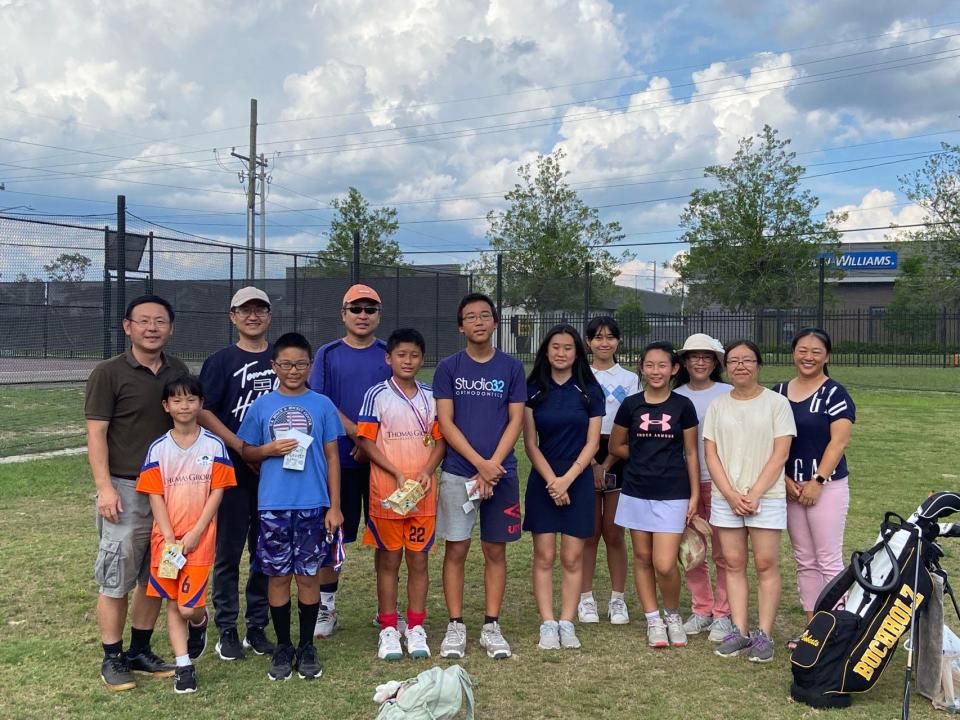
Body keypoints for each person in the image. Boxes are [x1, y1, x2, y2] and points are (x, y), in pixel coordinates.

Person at [86, 294, 188, 691]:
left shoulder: (177, 371)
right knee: (117, 576)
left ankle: (139, 651)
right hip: (126, 489)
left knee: (155, 577)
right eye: (143, 321)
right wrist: (104, 488)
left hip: (171, 491)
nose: (152, 328)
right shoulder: (109, 372)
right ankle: (112, 657)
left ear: (171, 328)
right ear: (127, 326)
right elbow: (96, 433)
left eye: (159, 321)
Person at [237, 332, 344, 681]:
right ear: (274, 366)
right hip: (274, 505)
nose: (293, 370)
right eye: (286, 364)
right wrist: (267, 450)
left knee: (309, 575)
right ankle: (283, 645)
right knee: (278, 576)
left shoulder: (323, 404)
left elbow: (332, 457)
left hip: (314, 504)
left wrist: (335, 506)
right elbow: (247, 451)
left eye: (300, 364)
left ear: (310, 366)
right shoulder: (262, 406)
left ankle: (306, 645)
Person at [433, 293, 526, 660]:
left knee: (495, 550)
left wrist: (493, 464)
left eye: (485, 315)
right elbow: (446, 422)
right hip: (459, 472)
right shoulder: (448, 367)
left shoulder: (511, 368)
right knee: (456, 548)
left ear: (495, 322)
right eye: (470, 317)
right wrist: (478, 464)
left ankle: (491, 625)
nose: (478, 322)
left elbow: (516, 419)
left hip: (501, 473)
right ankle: (456, 625)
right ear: (461, 326)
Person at [136, 375, 237, 694]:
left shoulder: (214, 445)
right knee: (172, 602)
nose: (184, 405)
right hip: (166, 543)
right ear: (166, 406)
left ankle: (200, 620)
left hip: (200, 540)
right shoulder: (158, 448)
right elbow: (155, 495)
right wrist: (168, 535)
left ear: (201, 404)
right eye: (176, 400)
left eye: (190, 399)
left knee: (187, 607)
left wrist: (194, 533)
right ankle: (184, 666)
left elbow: (217, 492)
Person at [356, 328, 446, 661]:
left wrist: (428, 470)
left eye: (414, 355)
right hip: (387, 494)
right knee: (390, 560)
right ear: (388, 358)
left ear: (423, 360)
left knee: (419, 560)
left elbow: (440, 440)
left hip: (422, 493)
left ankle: (416, 625)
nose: (408, 361)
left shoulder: (430, 395)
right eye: (401, 355)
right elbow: (365, 439)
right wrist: (394, 471)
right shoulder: (376, 394)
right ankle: (389, 628)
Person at [703, 340, 796, 663]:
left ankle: (764, 634)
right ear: (725, 366)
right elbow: (711, 453)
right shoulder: (718, 405)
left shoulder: (776, 403)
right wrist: (730, 493)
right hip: (725, 497)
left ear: (758, 364)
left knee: (765, 563)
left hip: (766, 497)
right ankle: (739, 631)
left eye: (747, 360)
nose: (740, 365)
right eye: (734, 360)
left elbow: (780, 452)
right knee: (733, 563)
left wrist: (755, 492)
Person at [308, 284, 391, 637]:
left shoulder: (389, 353)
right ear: (343, 314)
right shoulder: (327, 354)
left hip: (381, 461)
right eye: (355, 309)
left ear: (378, 314)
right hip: (337, 461)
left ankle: (386, 610)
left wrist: (370, 442)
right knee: (333, 534)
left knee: (387, 536)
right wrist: (357, 435)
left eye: (369, 309)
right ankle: (326, 608)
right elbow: (321, 401)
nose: (362, 315)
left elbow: (396, 401)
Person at [198, 286, 277, 660]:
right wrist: (241, 445)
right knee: (228, 552)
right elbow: (205, 410)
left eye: (260, 310)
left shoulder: (282, 359)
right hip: (232, 469)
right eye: (245, 311)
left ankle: (257, 627)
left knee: (264, 551)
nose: (253, 316)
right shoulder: (220, 361)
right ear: (232, 317)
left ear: (269, 316)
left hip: (276, 470)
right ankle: (227, 628)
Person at [609, 341, 699, 649]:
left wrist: (695, 494)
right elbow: (615, 446)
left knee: (664, 563)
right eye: (650, 365)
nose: (656, 371)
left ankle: (672, 614)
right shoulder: (631, 404)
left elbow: (691, 451)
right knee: (643, 557)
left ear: (674, 369)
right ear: (642, 368)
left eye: (663, 365)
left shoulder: (683, 406)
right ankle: (653, 619)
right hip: (636, 491)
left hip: (673, 493)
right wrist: (644, 455)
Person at [523, 324, 604, 650]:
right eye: (555, 347)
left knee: (572, 558)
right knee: (544, 556)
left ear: (577, 352)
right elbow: (530, 443)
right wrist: (552, 482)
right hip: (544, 480)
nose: (560, 353)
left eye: (567, 348)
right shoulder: (532, 390)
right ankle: (548, 623)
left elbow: (593, 442)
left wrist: (567, 479)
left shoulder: (589, 390)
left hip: (578, 480)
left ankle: (567, 622)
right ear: (546, 350)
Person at [773, 328, 855, 649]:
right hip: (790, 487)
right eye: (802, 350)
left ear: (827, 356)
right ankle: (813, 630)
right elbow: (770, 440)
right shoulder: (778, 393)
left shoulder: (835, 393)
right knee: (804, 559)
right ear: (793, 353)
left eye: (816, 351)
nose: (808, 357)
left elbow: (839, 441)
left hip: (826, 486)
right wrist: (783, 479)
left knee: (828, 559)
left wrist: (818, 481)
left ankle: (837, 633)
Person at [672, 333, 734, 642]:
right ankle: (702, 609)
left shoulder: (729, 393)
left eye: (706, 357)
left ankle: (724, 614)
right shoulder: (676, 395)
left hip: (723, 484)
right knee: (692, 552)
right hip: (686, 485)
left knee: (725, 552)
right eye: (693, 356)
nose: (699, 362)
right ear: (683, 362)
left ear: (715, 362)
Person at [579, 316, 638, 626]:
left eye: (610, 337)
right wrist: (590, 462)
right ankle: (585, 599)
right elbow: (577, 421)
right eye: (597, 337)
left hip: (618, 453)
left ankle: (618, 600)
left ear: (618, 341)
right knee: (589, 533)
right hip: (583, 454)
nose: (604, 342)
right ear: (588, 342)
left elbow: (629, 422)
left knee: (614, 533)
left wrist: (608, 462)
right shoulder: (579, 376)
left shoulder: (629, 379)